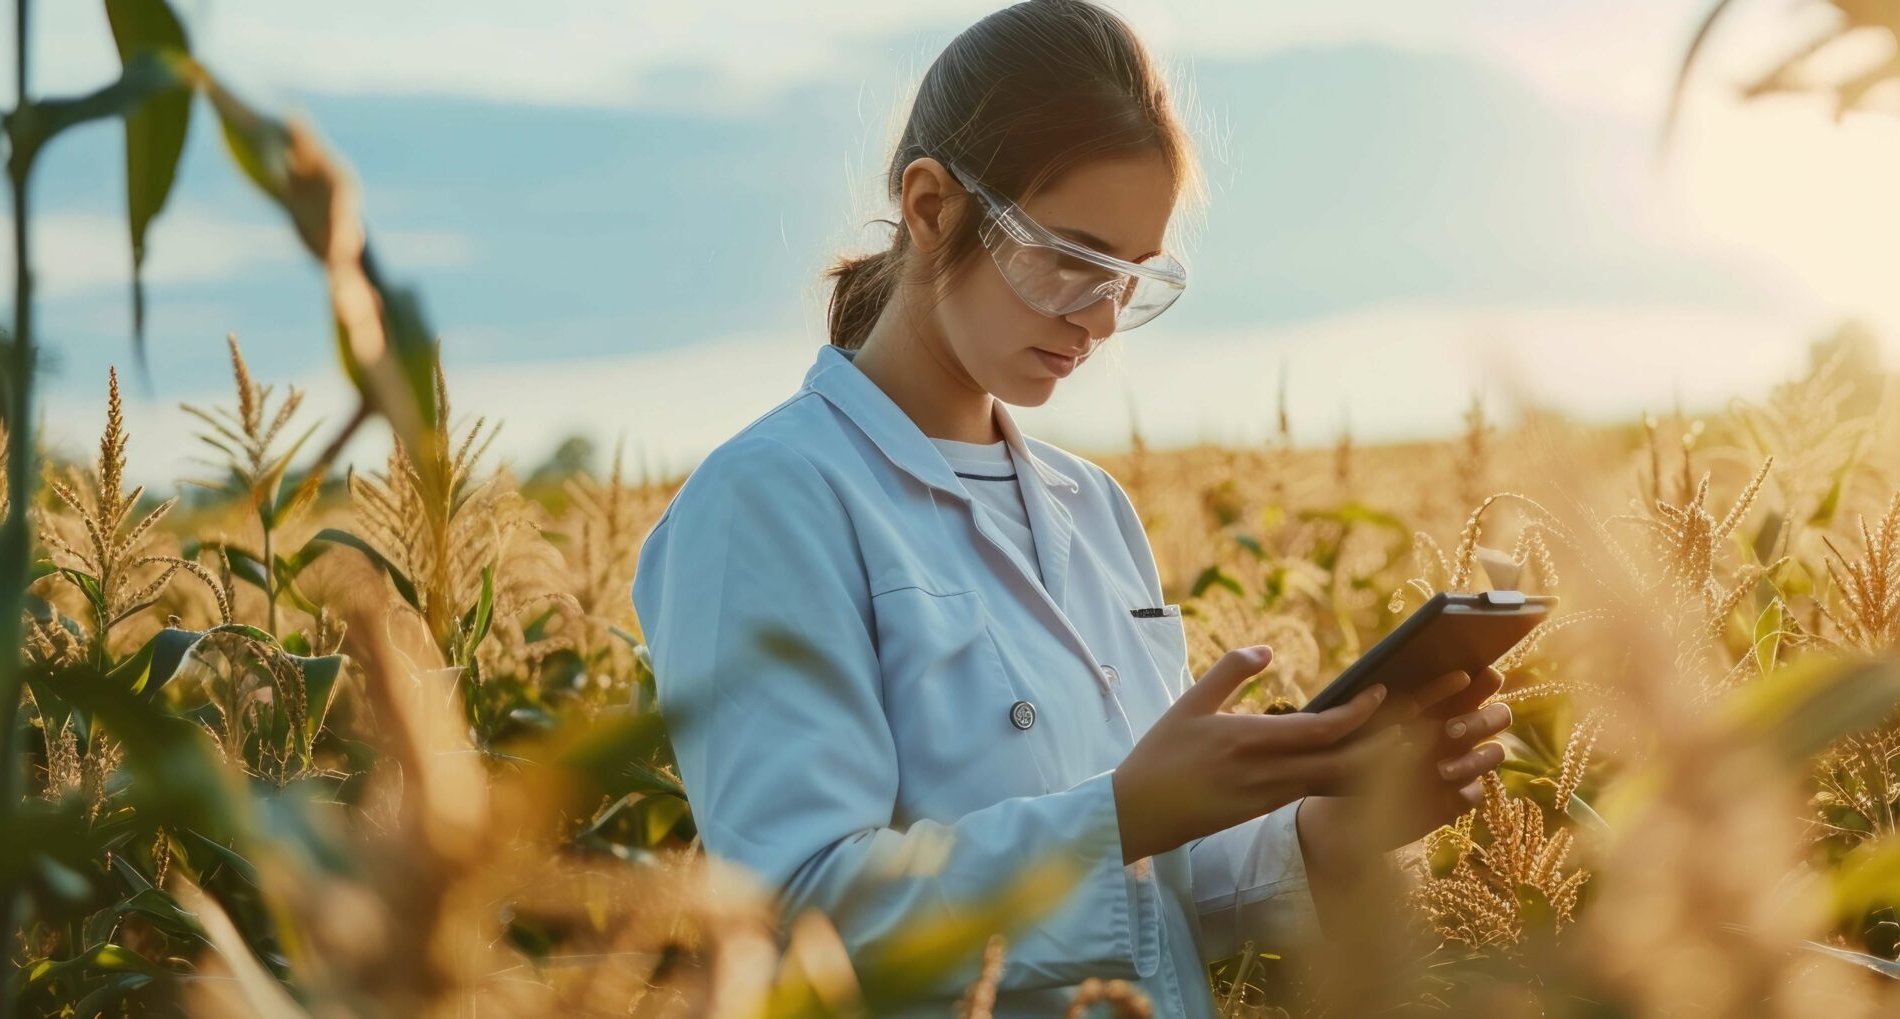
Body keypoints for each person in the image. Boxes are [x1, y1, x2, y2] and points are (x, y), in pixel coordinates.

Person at [629, 2, 1514, 1015]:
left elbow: (1154, 899)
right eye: (1073, 260)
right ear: (930, 207)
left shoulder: (1090, 508)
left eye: (1133, 278)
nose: (1099, 317)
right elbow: (795, 915)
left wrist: (1325, 830)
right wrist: (1120, 814)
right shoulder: (770, 501)